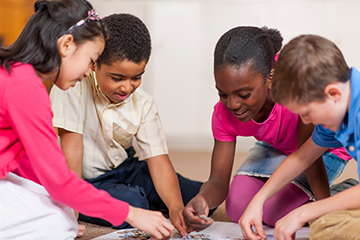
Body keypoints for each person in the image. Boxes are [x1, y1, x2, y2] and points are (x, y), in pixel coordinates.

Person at [0, 1, 174, 239]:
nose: (88, 71)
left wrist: (63, 202)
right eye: (92, 60)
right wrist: (131, 214)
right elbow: (59, 181)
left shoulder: (18, 74)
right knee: (60, 225)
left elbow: (30, 161)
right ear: (67, 45)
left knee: (59, 210)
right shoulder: (27, 88)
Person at [182, 26, 352, 234]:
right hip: (280, 145)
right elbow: (218, 179)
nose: (233, 104)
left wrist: (320, 211)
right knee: (239, 207)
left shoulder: (303, 89)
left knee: (281, 213)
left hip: (320, 152)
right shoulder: (224, 112)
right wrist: (207, 199)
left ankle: (341, 195)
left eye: (243, 94)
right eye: (222, 94)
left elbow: (309, 156)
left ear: (270, 78)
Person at [49, 13, 203, 236]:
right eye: (117, 77)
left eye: (136, 77)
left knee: (196, 198)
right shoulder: (73, 86)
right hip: (86, 179)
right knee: (134, 204)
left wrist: (175, 208)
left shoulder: (145, 104)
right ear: (94, 64)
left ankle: (136, 194)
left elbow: (158, 161)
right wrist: (70, 209)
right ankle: (102, 202)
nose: (127, 87)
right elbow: (72, 148)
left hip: (126, 168)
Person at [239, 34, 360, 240]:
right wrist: (258, 200)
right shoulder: (338, 108)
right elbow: (302, 157)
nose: (305, 121)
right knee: (323, 222)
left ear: (333, 94)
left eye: (306, 113)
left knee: (329, 229)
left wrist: (306, 211)